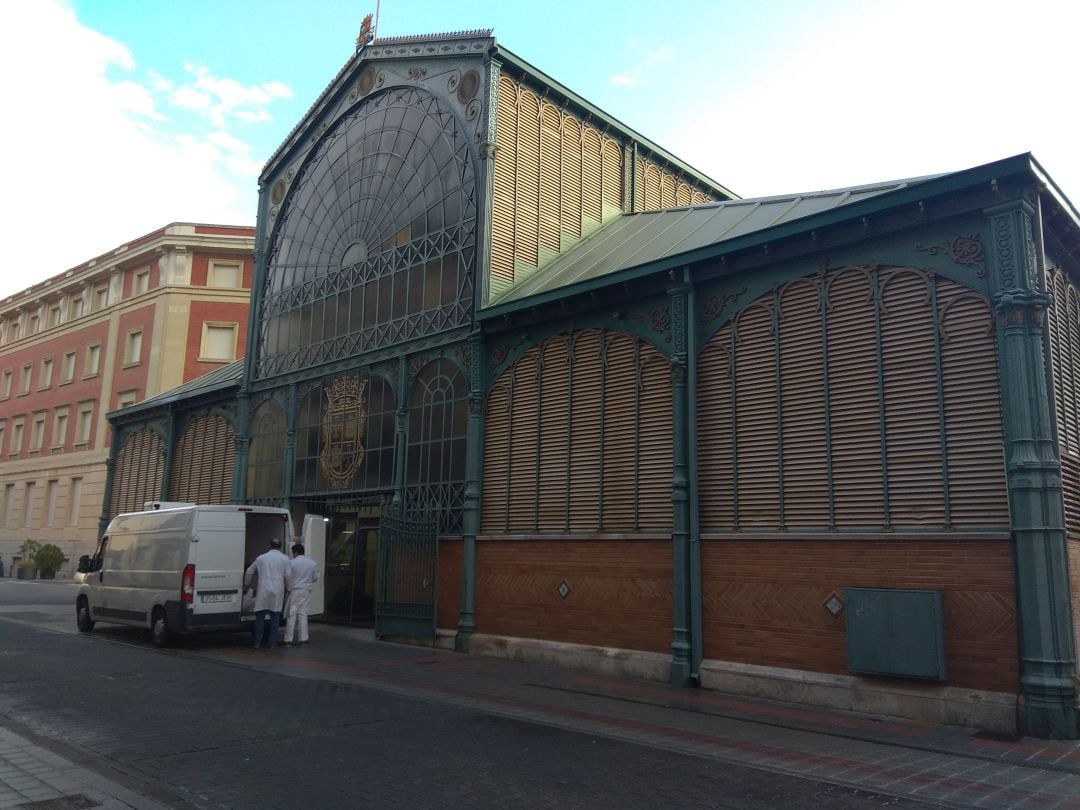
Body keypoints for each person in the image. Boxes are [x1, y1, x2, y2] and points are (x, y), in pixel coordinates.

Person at [243, 537, 290, 649]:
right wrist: (289, 588)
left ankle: (257, 642)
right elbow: (288, 576)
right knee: (275, 617)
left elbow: (249, 571)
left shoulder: (261, 558)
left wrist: (246, 585)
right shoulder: (285, 559)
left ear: (270, 545)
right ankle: (272, 642)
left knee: (259, 617)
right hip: (277, 590)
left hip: (263, 589)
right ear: (280, 546)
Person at [283, 543, 319, 646]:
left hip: (294, 590)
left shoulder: (291, 563)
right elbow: (316, 577)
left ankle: (288, 640)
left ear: (295, 552)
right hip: (306, 591)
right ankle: (303, 639)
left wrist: (289, 588)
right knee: (303, 614)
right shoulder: (312, 563)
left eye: (293, 553)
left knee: (292, 614)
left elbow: (287, 576)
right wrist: (307, 581)